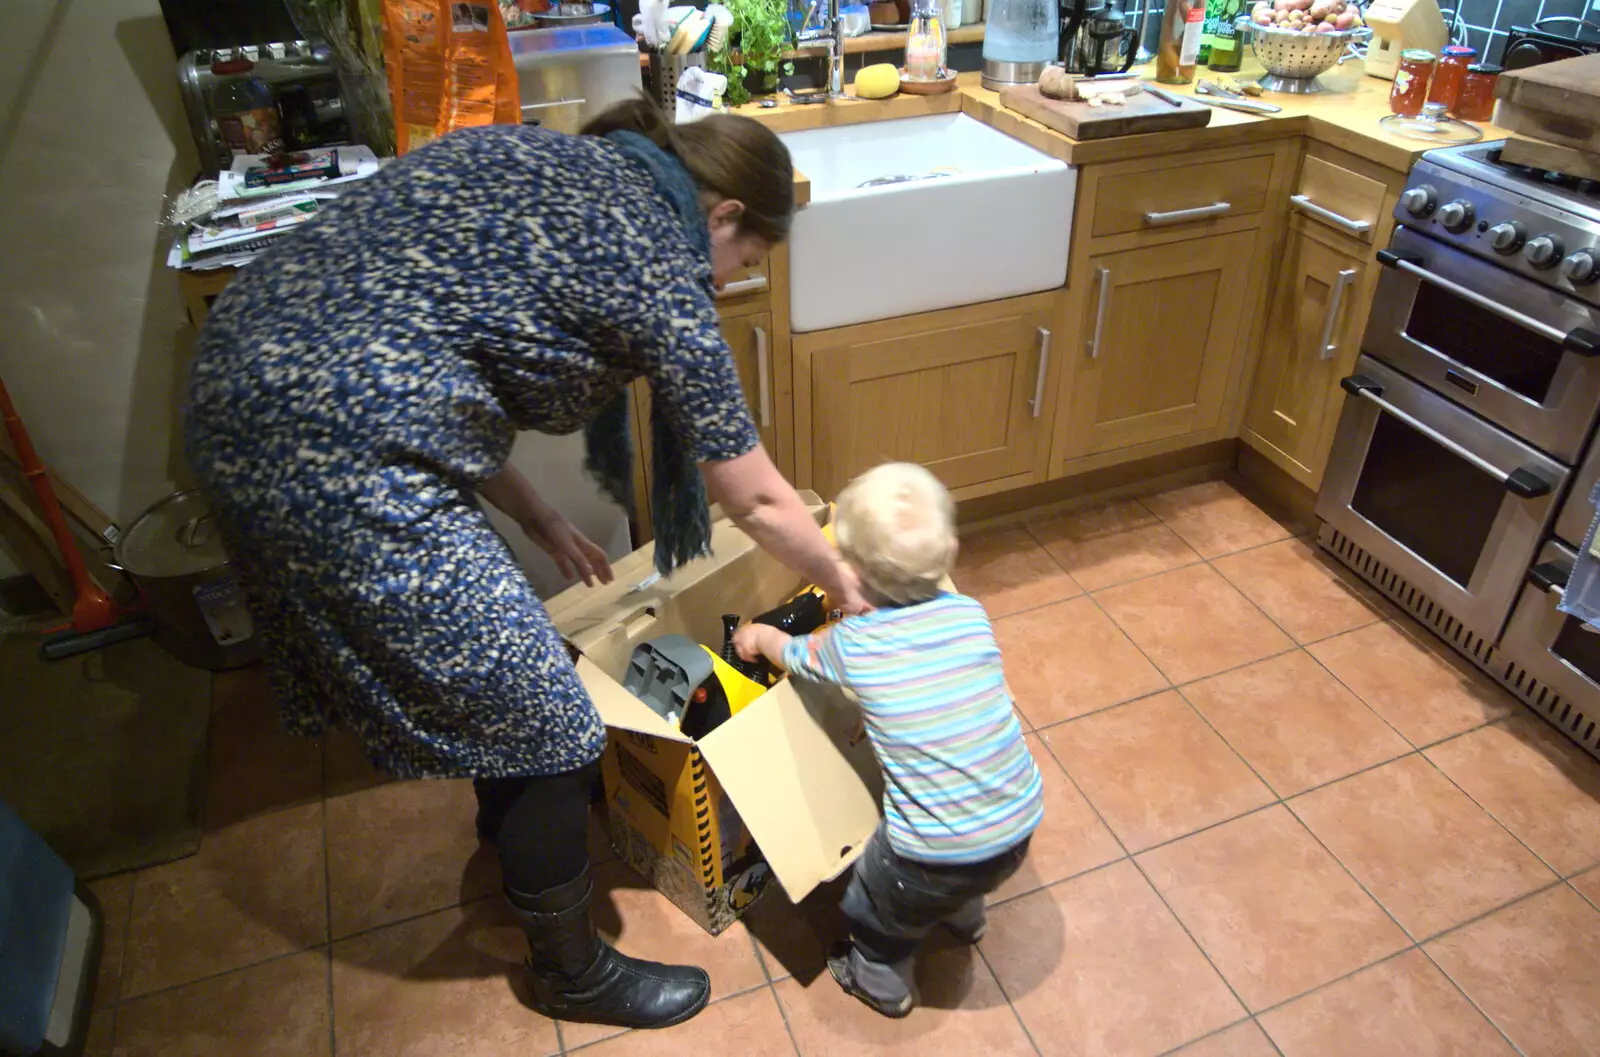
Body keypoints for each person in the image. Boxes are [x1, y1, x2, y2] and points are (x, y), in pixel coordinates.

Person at [184, 99, 866, 1032]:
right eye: (744, 263)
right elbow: (754, 497)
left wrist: (540, 516)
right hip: (329, 455)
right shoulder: (660, 263)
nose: (728, 284)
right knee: (555, 721)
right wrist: (850, 582)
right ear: (725, 216)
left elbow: (427, 347)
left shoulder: (557, 164)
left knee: (500, 674)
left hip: (251, 377)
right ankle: (570, 970)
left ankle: (512, 831)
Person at [734, 462, 1044, 1018]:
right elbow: (932, 677)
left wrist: (760, 635)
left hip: (927, 858)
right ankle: (964, 915)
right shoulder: (970, 615)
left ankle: (878, 977)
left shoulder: (855, 645)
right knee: (961, 862)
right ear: (948, 550)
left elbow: (798, 657)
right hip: (1016, 825)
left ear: (851, 572)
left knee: (874, 899)